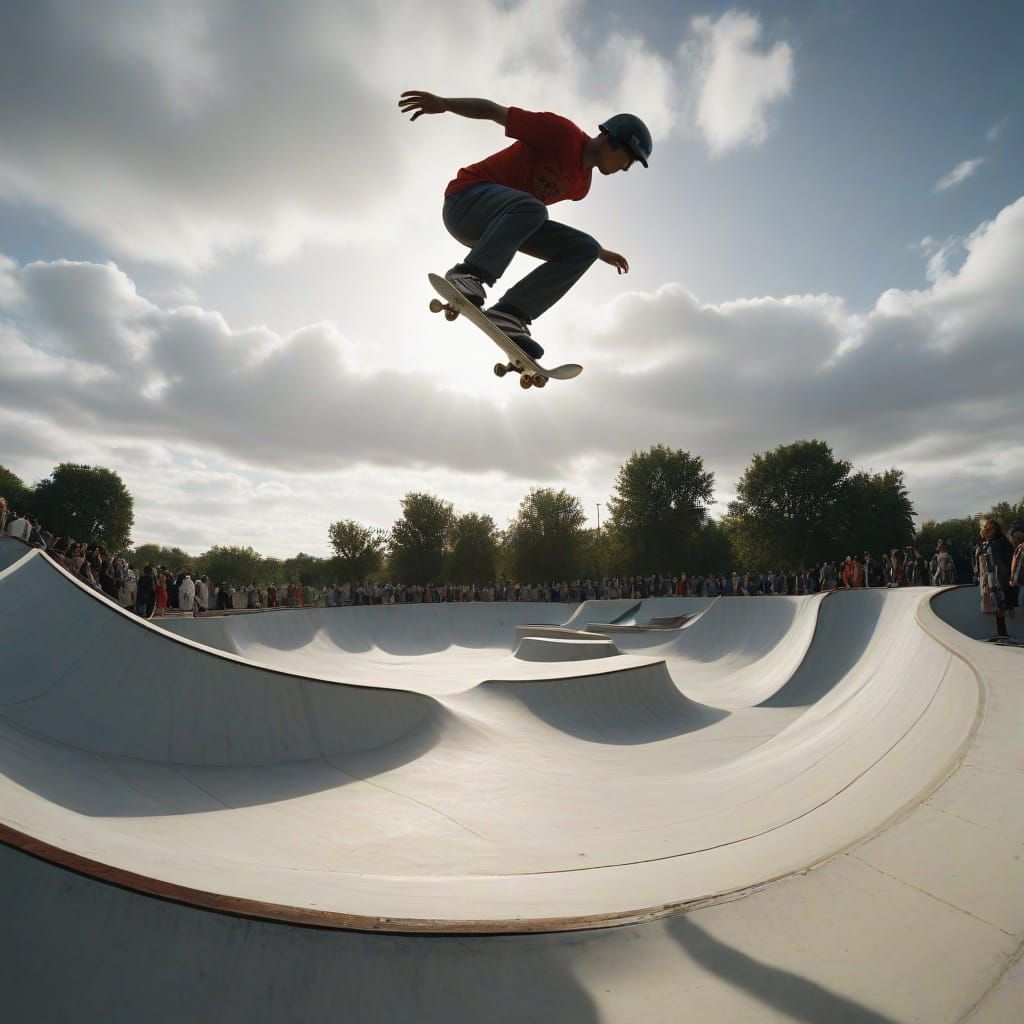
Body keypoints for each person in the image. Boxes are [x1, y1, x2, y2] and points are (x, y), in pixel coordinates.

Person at [399, 90, 651, 357]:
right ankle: (469, 274)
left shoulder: (582, 186)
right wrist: (445, 103)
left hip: (498, 225)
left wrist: (598, 251)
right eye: (629, 159)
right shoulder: (560, 133)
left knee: (584, 248)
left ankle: (510, 313)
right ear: (611, 141)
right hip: (465, 202)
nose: (626, 168)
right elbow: (496, 112)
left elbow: (530, 223)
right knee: (533, 207)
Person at [974, 517, 1014, 639]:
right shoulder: (990, 543)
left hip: (1000, 577)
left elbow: (1002, 562)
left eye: (988, 528)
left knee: (1000, 604)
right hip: (992, 577)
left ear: (994, 529)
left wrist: (1006, 580)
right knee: (996, 605)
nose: (986, 531)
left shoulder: (1000, 543)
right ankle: (1002, 632)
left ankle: (1003, 633)